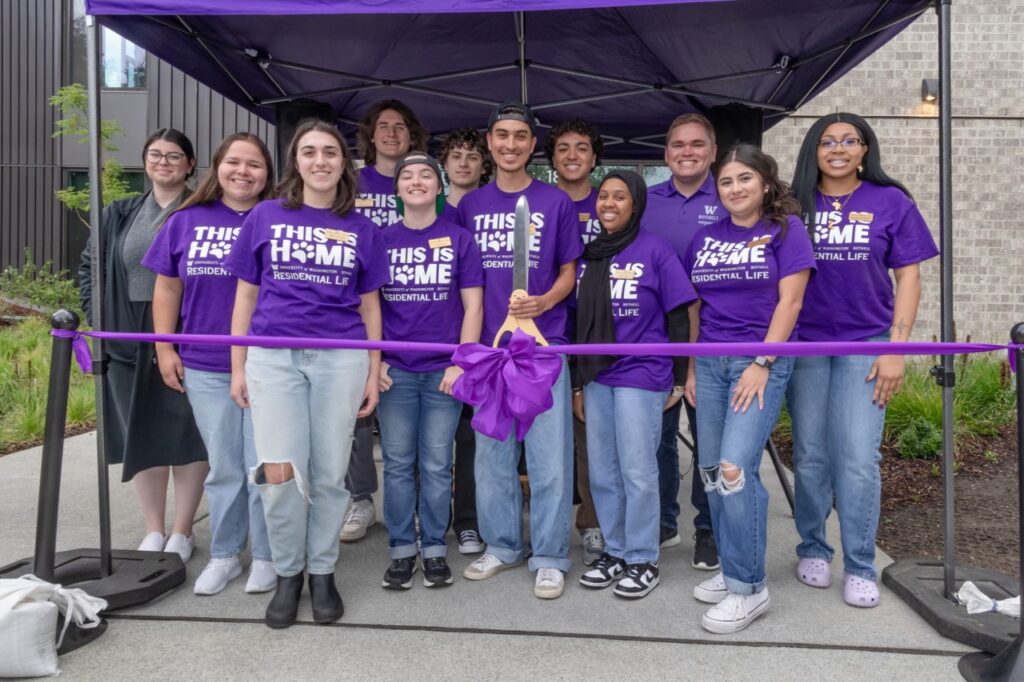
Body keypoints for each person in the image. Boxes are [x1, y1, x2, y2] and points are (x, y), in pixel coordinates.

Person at [227, 120, 388, 628]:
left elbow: (370, 306)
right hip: (273, 358)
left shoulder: (362, 229)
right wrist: (238, 365)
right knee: (278, 471)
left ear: (344, 163)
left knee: (329, 472)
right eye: (310, 152)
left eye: (331, 153)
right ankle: (288, 572)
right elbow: (245, 296)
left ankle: (322, 571)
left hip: (341, 358)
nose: (321, 161)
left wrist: (372, 368)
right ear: (295, 161)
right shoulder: (265, 216)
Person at [787, 113, 938, 607]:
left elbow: (909, 279)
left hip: (867, 346)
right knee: (810, 457)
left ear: (865, 150)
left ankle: (859, 564)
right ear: (814, 151)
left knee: (856, 460)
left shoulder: (891, 201)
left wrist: (896, 346)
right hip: (804, 344)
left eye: (849, 140)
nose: (838, 148)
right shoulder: (792, 205)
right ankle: (812, 546)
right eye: (827, 141)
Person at [685, 144, 815, 634]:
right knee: (713, 471)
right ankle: (733, 563)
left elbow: (791, 302)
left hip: (759, 362)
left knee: (737, 469)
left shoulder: (786, 231)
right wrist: (694, 368)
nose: (735, 188)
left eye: (744, 179)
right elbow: (696, 309)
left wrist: (763, 361)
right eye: (725, 182)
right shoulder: (705, 238)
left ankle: (749, 588)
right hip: (712, 364)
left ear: (764, 183)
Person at [456, 102, 582, 599]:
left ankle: (550, 554)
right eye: (502, 135)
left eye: (521, 137)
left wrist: (543, 301)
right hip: (490, 351)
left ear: (533, 145)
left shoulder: (555, 203)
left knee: (550, 459)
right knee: (492, 456)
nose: (510, 144)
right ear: (490, 142)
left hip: (544, 349)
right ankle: (503, 545)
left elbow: (569, 271)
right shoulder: (468, 207)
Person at [143, 133, 277, 595]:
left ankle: (266, 555)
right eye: (234, 162)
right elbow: (167, 288)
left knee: (262, 464)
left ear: (268, 173)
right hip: (204, 363)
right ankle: (224, 555)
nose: (243, 172)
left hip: (267, 362)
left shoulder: (278, 218)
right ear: (216, 167)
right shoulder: (187, 220)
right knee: (222, 466)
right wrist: (165, 348)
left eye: (254, 164)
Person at [78, 128, 207, 563]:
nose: (164, 162)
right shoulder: (119, 212)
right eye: (156, 155)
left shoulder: (203, 211)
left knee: (186, 432)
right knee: (141, 432)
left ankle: (182, 529)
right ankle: (153, 528)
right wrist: (102, 320)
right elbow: (90, 268)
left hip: (186, 328)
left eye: (174, 156)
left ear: (191, 164)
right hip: (127, 332)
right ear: (145, 161)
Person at [573, 171, 697, 598]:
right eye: (603, 195)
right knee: (603, 470)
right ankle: (616, 549)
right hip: (595, 374)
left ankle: (643, 557)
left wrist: (680, 379)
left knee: (637, 469)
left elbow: (679, 316)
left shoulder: (656, 251)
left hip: (642, 372)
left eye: (619, 196)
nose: (608, 202)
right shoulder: (588, 254)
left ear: (636, 204)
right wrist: (575, 386)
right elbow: (576, 326)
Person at [377, 152, 484, 589]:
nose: (417, 181)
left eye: (426, 175)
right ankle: (402, 549)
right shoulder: (379, 239)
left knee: (439, 463)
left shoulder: (460, 239)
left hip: (444, 370)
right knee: (399, 463)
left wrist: (462, 362)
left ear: (439, 188)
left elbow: (473, 304)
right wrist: (374, 360)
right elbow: (367, 306)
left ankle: (435, 548)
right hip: (394, 371)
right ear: (397, 188)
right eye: (408, 176)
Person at [340, 99, 430, 543]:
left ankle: (414, 505)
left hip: (406, 316)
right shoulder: (350, 179)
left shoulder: (423, 185)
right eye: (383, 126)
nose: (392, 133)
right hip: (353, 311)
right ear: (370, 134)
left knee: (411, 434)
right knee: (357, 417)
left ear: (411, 136)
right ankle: (360, 499)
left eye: (400, 126)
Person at [640, 113, 722, 570]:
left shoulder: (731, 194)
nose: (686, 152)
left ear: (712, 151)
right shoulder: (646, 201)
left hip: (717, 339)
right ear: (665, 153)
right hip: (659, 339)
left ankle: (707, 530)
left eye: (696, 145)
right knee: (660, 438)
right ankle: (663, 522)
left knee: (709, 440)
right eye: (677, 145)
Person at [544, 118, 605, 566]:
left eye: (581, 148)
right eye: (563, 148)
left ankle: (592, 523)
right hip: (545, 330)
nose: (571, 155)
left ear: (594, 157)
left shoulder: (609, 202)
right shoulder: (538, 203)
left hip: (594, 330)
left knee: (589, 434)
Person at [438, 128, 493, 554]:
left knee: (473, 437)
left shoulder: (488, 205)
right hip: (435, 342)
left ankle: (470, 521)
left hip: (487, 337)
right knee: (433, 443)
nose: (463, 162)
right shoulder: (426, 206)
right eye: (455, 155)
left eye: (471, 156)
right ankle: (432, 519)